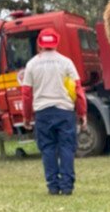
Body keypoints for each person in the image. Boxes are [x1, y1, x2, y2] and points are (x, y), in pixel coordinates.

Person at [21, 28, 87, 195]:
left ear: (39, 44)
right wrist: (82, 113)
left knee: (48, 148)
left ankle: (52, 185)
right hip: (64, 111)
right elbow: (78, 90)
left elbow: (26, 94)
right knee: (66, 147)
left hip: (43, 112)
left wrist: (27, 118)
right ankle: (67, 186)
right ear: (56, 42)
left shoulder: (32, 64)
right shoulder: (66, 63)